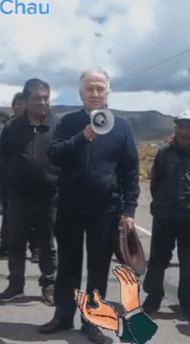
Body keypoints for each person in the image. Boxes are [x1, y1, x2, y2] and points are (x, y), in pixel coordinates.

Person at [40, 68, 139, 344]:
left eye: (100, 88)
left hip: (105, 210)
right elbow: (54, 156)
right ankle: (62, 316)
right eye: (90, 89)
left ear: (108, 92)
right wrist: (83, 137)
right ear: (80, 92)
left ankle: (92, 320)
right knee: (69, 265)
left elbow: (130, 171)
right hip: (70, 206)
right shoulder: (69, 122)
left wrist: (128, 210)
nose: (95, 93)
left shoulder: (122, 126)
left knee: (98, 268)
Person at [0, 79, 58, 307]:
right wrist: (8, 183)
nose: (43, 103)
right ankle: (15, 284)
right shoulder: (13, 127)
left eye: (46, 98)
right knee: (16, 241)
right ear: (26, 100)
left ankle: (49, 284)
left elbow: (65, 159)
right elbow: (0, 157)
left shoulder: (56, 127)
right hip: (19, 196)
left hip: (47, 196)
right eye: (37, 98)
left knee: (46, 243)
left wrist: (56, 181)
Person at [142, 111, 190, 320]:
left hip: (189, 217)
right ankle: (153, 299)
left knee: (188, 262)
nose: (184, 131)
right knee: (157, 261)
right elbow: (155, 181)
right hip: (164, 215)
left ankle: (187, 303)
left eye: (188, 127)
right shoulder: (164, 152)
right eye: (180, 127)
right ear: (175, 129)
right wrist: (161, 201)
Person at [0, 92, 39, 260]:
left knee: (32, 218)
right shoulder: (8, 127)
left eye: (23, 103)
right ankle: (6, 247)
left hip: (32, 180)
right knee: (8, 216)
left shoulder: (36, 126)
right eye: (17, 104)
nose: (20, 106)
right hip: (10, 181)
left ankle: (36, 250)